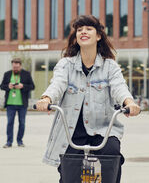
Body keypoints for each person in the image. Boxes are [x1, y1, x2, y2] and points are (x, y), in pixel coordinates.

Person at [35, 15, 140, 183]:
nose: (83, 32)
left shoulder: (109, 66)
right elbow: (57, 84)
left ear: (98, 36)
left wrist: (130, 103)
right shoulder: (66, 64)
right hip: (71, 131)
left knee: (111, 154)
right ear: (76, 38)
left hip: (103, 130)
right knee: (69, 173)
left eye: (88, 29)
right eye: (79, 30)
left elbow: (119, 87)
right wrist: (46, 99)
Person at [0, 57, 35, 148]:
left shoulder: (26, 74)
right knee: (10, 123)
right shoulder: (7, 74)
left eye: (17, 68)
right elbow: (1, 86)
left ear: (20, 66)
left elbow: (32, 86)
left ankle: (20, 141)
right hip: (10, 103)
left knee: (22, 123)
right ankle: (9, 142)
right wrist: (8, 86)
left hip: (22, 104)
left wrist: (22, 86)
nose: (15, 69)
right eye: (14, 67)